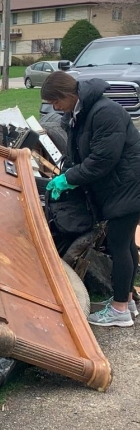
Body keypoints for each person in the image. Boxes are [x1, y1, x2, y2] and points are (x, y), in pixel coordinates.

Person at [41, 71, 140, 327]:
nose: (55, 108)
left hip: (128, 187)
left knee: (119, 246)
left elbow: (102, 160)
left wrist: (69, 179)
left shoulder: (105, 112)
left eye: (56, 102)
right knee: (126, 243)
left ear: (68, 95)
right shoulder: (81, 113)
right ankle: (126, 301)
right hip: (121, 186)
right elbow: (79, 153)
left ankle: (119, 311)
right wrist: (68, 174)